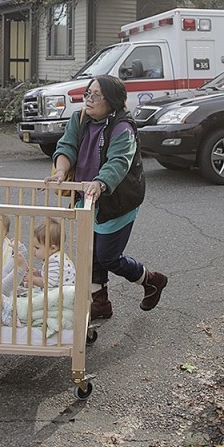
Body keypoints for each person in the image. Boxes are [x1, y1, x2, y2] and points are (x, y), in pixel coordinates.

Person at [44, 74, 167, 319]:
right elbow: (67, 146)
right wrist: (60, 171)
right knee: (90, 253)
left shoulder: (123, 128)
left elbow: (119, 163)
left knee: (107, 257)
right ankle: (100, 305)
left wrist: (100, 183)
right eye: (88, 93)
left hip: (117, 202)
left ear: (111, 101)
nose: (88, 100)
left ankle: (150, 279)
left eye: (96, 96)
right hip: (87, 198)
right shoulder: (80, 118)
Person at [25, 218, 77, 288]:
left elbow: (48, 283)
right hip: (60, 290)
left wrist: (32, 279)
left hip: (59, 295)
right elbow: (51, 275)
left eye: (37, 248)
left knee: (32, 291)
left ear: (53, 248)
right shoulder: (59, 256)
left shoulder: (53, 261)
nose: (33, 250)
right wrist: (38, 272)